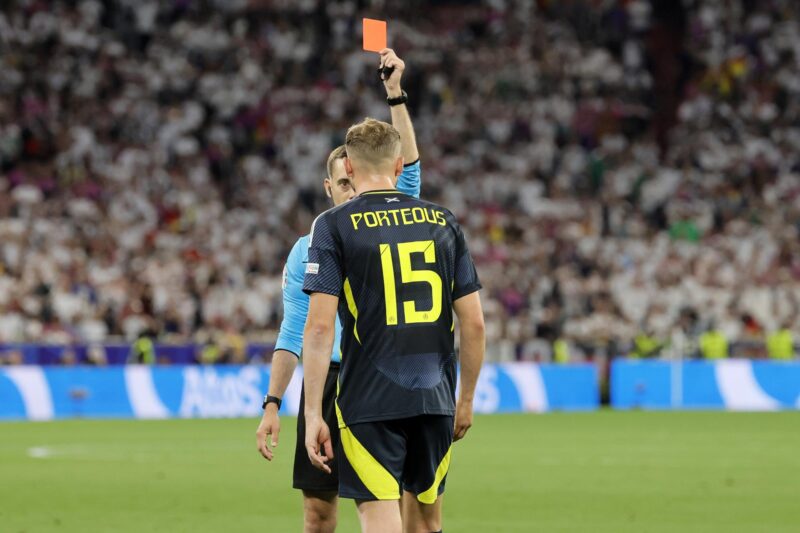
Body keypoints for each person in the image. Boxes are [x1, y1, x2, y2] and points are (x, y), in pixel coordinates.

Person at [255, 49, 421, 533]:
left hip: (382, 377)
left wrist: (395, 95)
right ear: (329, 187)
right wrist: (272, 403)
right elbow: (294, 331)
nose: (351, 190)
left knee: (394, 508)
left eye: (355, 180)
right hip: (327, 382)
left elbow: (409, 167)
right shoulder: (308, 248)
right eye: (342, 184)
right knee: (318, 515)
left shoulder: (394, 222)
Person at [302, 117, 485, 533]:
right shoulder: (443, 221)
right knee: (425, 524)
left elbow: (319, 329)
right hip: (435, 399)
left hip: (368, 400)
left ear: (348, 167)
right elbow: (474, 323)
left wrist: (313, 413)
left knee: (380, 519)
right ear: (400, 166)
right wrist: (466, 399)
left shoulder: (333, 225)